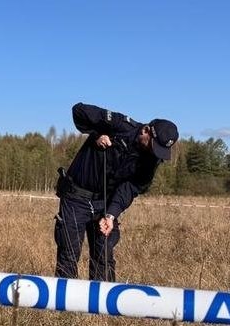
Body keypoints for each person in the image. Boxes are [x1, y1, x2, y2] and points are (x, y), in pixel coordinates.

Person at [54, 102, 178, 281]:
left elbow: (131, 187)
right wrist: (96, 133)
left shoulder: (151, 159)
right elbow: (79, 110)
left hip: (105, 203)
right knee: (69, 254)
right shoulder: (119, 125)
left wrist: (111, 215)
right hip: (76, 198)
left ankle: (100, 306)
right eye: (152, 145)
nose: (154, 152)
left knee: (103, 256)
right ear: (146, 131)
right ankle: (66, 305)